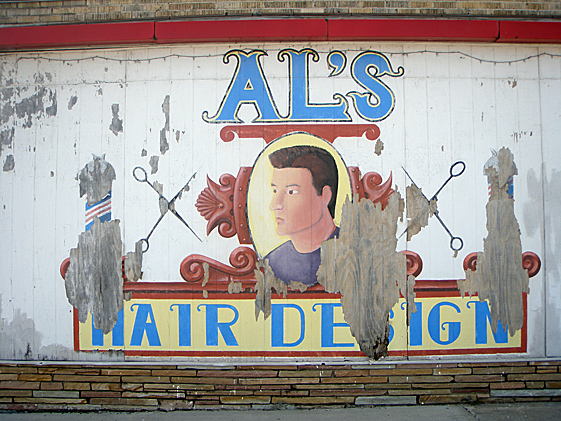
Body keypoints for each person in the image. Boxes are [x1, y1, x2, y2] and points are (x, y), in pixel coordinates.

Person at [265, 145, 339, 285]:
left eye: (291, 192)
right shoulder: (272, 263)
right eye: (275, 191)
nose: (275, 205)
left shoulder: (354, 253)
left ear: (325, 196)